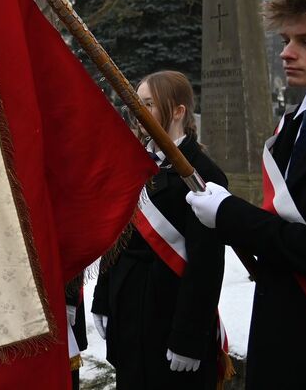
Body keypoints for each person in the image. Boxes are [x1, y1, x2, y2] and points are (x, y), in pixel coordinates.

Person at [186, 0, 306, 389]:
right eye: (287, 39)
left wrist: (230, 214)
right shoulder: (291, 126)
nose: (288, 52)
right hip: (278, 334)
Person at [92, 70, 227, 389]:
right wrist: (103, 297)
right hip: (127, 307)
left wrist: (189, 338)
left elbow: (206, 265)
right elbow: (117, 237)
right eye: (136, 103)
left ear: (178, 110)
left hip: (170, 313)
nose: (139, 111)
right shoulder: (133, 163)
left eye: (149, 104)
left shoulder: (203, 174)